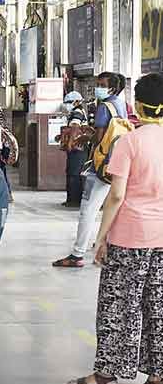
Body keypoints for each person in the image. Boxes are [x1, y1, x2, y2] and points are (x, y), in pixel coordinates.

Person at [67, 73, 163, 384]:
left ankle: (107, 374)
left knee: (117, 307)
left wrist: (101, 237)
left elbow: (117, 196)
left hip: (129, 239)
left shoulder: (129, 142)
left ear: (137, 105)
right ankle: (157, 376)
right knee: (157, 307)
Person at [53, 72, 128, 267]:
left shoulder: (104, 107)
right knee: (114, 207)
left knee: (88, 209)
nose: (98, 88)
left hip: (101, 164)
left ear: (111, 88)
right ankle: (108, 244)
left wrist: (85, 138)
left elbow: (100, 138)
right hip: (117, 162)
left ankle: (77, 255)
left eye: (101, 84)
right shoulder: (121, 106)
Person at [61, 91, 90, 208]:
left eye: (69, 102)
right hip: (80, 147)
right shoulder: (79, 111)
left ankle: (74, 200)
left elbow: (74, 127)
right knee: (75, 172)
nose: (67, 105)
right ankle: (73, 199)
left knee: (74, 173)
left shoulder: (77, 112)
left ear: (77, 102)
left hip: (78, 148)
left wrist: (70, 143)